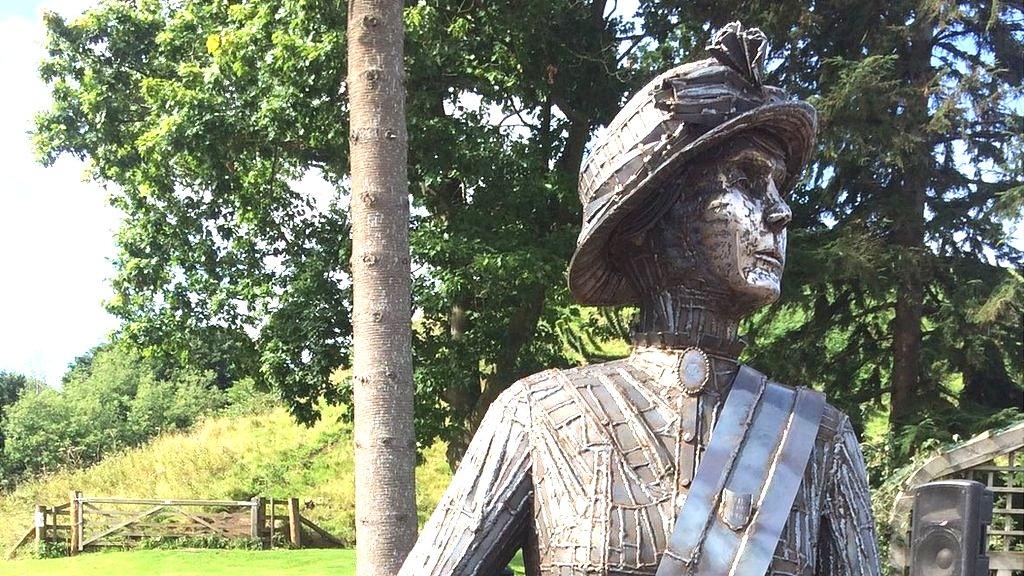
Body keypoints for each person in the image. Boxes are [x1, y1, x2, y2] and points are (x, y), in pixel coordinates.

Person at [399, 22, 882, 576]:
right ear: (648, 221)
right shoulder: (540, 418)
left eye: (780, 187)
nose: (780, 212)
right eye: (747, 179)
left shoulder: (817, 439)